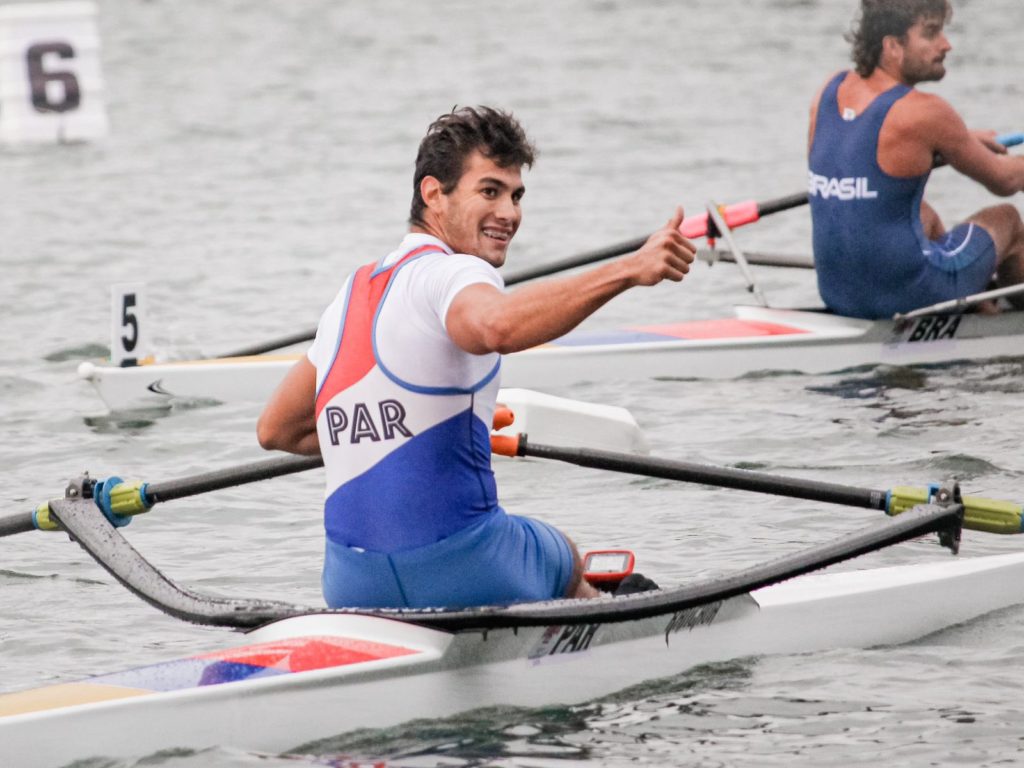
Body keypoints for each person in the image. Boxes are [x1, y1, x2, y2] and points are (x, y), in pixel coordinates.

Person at [256, 106, 695, 610]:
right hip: (466, 568)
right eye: (489, 191)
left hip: (350, 580)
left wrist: (425, 427)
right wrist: (629, 269)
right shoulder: (455, 273)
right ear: (433, 194)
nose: (509, 212)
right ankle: (596, 619)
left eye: (516, 195)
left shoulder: (348, 295)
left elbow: (276, 431)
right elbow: (497, 326)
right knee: (563, 555)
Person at [807, 0, 1024, 320]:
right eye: (931, 33)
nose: (946, 44)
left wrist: (957, 142)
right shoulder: (926, 112)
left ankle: (975, 299)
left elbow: (865, 154)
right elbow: (1006, 181)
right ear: (893, 46)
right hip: (908, 296)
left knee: (922, 214)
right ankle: (1007, 327)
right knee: (1007, 219)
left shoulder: (829, 89)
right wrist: (953, 140)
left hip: (838, 292)